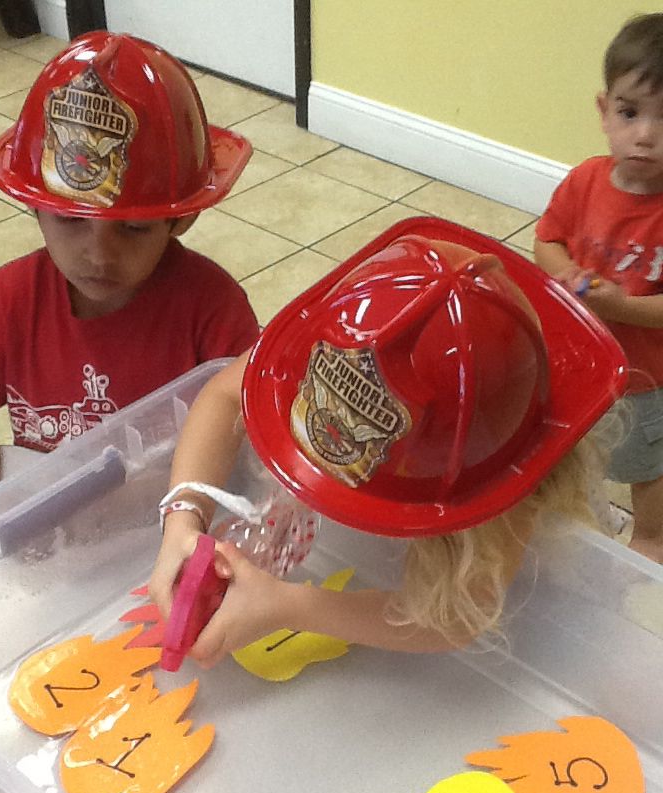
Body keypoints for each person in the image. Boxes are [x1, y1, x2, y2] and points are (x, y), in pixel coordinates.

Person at [148, 218, 627, 668]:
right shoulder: (349, 341)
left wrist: (290, 606)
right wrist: (182, 520)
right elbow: (224, 395)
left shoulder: (495, 464)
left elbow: (461, 614)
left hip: (532, 626)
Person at [0, 31, 259, 502]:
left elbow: (255, 432)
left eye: (133, 230)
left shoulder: (213, 309)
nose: (99, 254)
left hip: (164, 522)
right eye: (71, 221)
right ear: (34, 207)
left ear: (181, 219)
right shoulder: (9, 300)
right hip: (53, 523)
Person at [534, 13, 663, 563]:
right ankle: (589, 515)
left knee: (648, 465)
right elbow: (548, 240)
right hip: (580, 364)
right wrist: (562, 270)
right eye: (630, 113)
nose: (647, 135)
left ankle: (651, 539)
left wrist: (622, 306)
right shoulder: (585, 179)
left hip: (648, 380)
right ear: (604, 110)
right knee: (575, 448)